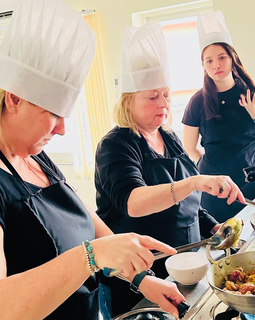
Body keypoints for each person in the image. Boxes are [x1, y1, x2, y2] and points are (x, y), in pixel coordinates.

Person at [0, 0, 186, 319]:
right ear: (14, 99)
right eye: (54, 114)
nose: (64, 129)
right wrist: (90, 258)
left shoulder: (31, 154)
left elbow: (88, 227)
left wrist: (142, 279)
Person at [95, 21, 245, 317]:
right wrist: (196, 182)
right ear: (128, 101)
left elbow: (189, 202)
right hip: (140, 274)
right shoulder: (116, 145)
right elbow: (133, 202)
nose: (163, 103)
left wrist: (213, 226)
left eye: (166, 94)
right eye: (153, 97)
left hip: (186, 264)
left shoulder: (168, 136)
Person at [182, 11, 255, 222]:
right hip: (216, 189)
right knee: (222, 240)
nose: (216, 65)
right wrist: (212, 168)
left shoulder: (251, 91)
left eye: (221, 58)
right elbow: (189, 147)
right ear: (203, 66)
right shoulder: (198, 101)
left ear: (232, 58)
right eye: (209, 61)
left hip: (254, 178)